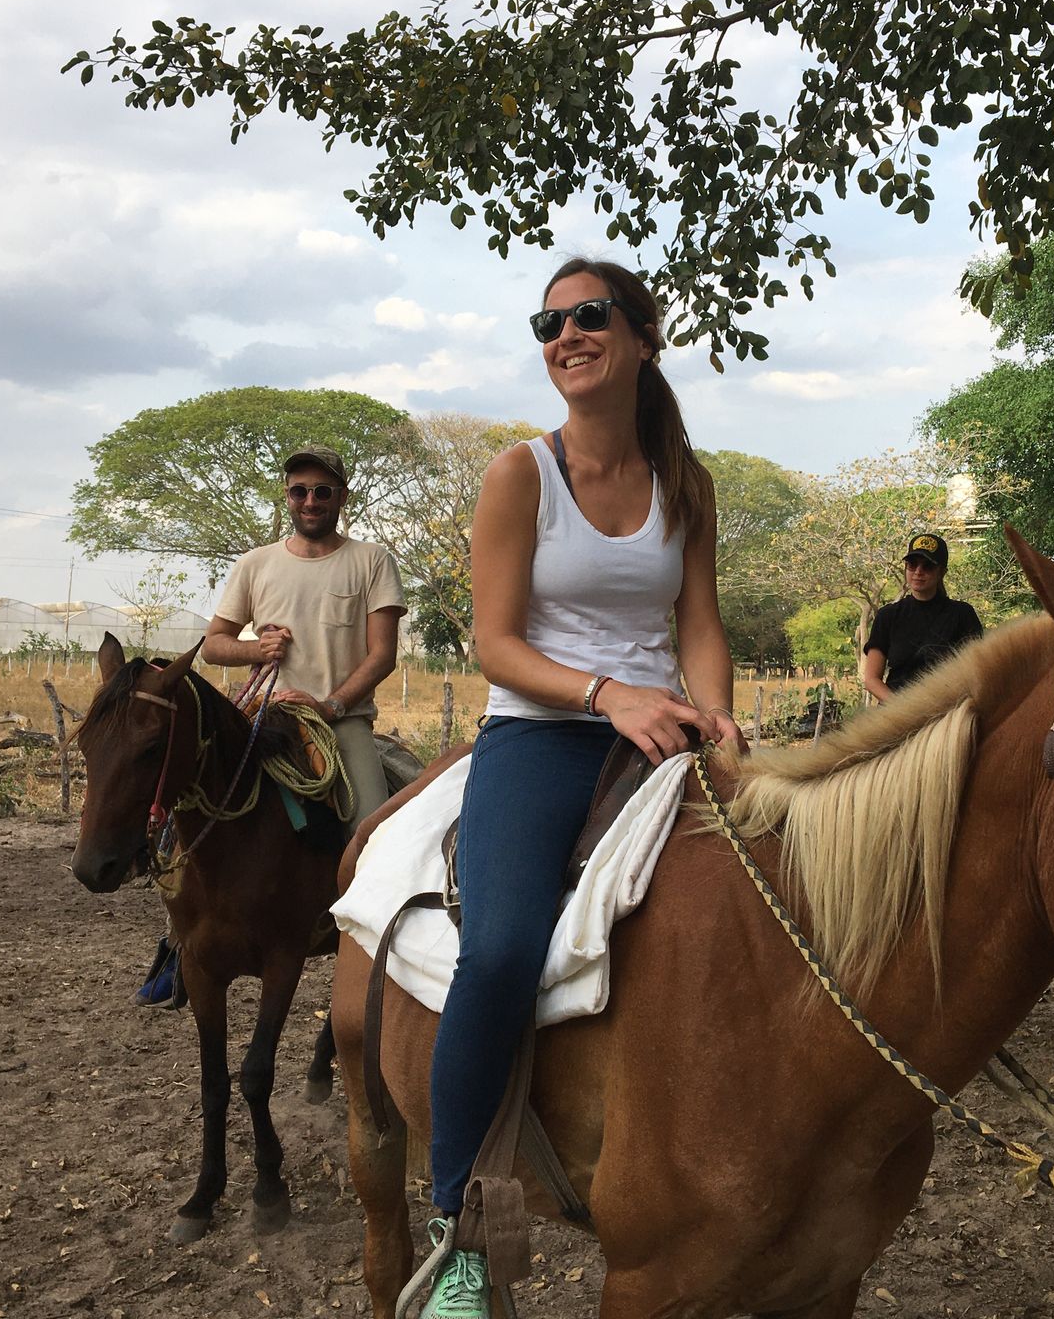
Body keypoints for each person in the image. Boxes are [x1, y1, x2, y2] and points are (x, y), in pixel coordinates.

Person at [416, 258, 742, 1316]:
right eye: (547, 322)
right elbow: (498, 645)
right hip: (545, 737)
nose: (565, 334)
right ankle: (456, 1228)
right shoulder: (523, 473)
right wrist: (609, 696)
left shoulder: (681, 483)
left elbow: (698, 623)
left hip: (662, 737)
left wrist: (717, 712)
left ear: (643, 338)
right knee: (504, 945)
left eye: (588, 315)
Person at [133, 443, 406, 1006]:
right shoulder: (256, 563)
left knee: (373, 830)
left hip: (339, 721)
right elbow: (213, 645)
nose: (310, 500)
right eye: (299, 491)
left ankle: (372, 948)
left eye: (322, 491)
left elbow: (381, 656)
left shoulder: (371, 560)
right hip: (260, 720)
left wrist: (332, 704)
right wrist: (257, 648)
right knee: (184, 818)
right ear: (287, 498)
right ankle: (177, 943)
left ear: (340, 497)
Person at [858, 533, 984, 702]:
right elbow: (872, 680)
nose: (918, 571)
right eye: (912, 564)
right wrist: (902, 708)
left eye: (928, 566)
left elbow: (975, 672)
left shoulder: (962, 614)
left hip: (947, 710)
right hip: (896, 711)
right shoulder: (888, 615)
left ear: (942, 572)